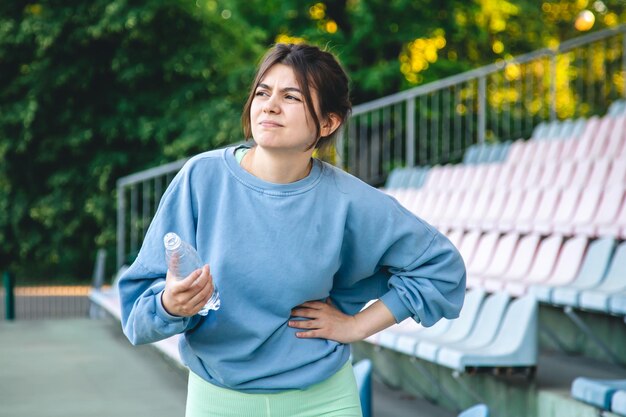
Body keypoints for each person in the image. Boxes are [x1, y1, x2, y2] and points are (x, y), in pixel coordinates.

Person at [118, 43, 466, 417]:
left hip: (325, 401)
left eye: (292, 97)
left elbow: (441, 268)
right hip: (218, 399)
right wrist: (170, 305)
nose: (269, 105)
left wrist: (355, 326)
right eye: (263, 92)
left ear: (328, 122)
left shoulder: (349, 200)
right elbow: (138, 318)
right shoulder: (201, 179)